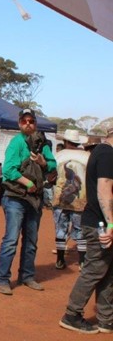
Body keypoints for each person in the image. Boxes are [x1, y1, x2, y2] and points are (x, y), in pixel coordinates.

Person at [0, 108, 56, 295]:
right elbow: (8, 170)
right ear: (19, 124)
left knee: (31, 241)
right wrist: (28, 182)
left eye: (31, 121)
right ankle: (2, 278)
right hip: (15, 197)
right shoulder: (16, 143)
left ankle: (27, 276)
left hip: (34, 199)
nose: (28, 124)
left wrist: (42, 162)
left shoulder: (42, 144)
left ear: (35, 123)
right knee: (11, 239)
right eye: (24, 121)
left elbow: (53, 165)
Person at [59, 127, 113, 334]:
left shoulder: (100, 152)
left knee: (107, 270)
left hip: (98, 221)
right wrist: (110, 224)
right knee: (95, 268)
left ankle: (106, 318)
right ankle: (72, 314)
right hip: (100, 223)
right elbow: (104, 190)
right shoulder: (107, 155)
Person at [52, 129, 90, 271]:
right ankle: (82, 262)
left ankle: (60, 260)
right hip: (81, 201)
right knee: (80, 230)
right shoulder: (87, 156)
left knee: (60, 230)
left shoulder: (59, 155)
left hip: (60, 200)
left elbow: (51, 176)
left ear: (66, 141)